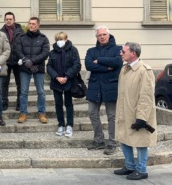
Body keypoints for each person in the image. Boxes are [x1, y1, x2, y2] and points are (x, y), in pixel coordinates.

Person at [113, 42, 157, 180]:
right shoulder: (124, 69)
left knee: (141, 141)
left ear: (133, 53)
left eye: (124, 51)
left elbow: (146, 95)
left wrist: (142, 118)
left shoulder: (144, 70)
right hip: (124, 111)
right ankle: (129, 166)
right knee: (124, 137)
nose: (121, 53)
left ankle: (141, 170)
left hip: (138, 113)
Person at [85, 26, 123, 155]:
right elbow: (88, 65)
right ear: (96, 37)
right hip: (95, 87)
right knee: (92, 113)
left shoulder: (118, 49)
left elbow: (117, 62)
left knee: (112, 116)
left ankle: (112, 142)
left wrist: (100, 60)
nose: (102, 37)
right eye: (99, 35)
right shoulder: (91, 51)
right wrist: (107, 68)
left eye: (104, 34)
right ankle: (99, 140)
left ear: (109, 35)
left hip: (111, 87)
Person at [15, 17, 50, 124]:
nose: (31, 25)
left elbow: (45, 53)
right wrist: (26, 61)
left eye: (34, 24)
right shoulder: (22, 37)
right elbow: (18, 50)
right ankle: (23, 113)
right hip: (24, 69)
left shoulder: (44, 38)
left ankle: (42, 113)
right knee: (23, 92)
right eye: (30, 23)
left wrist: (32, 61)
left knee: (41, 92)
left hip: (38, 68)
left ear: (38, 25)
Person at [46, 32, 81, 137]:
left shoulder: (73, 50)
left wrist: (66, 77)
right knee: (58, 104)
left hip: (69, 81)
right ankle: (61, 124)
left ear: (66, 39)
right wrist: (56, 77)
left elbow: (77, 65)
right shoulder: (52, 52)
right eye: (58, 39)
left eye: (62, 39)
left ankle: (69, 125)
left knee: (69, 104)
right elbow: (49, 67)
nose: (60, 41)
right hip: (56, 82)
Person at [0, 12, 24, 111]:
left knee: (20, 83)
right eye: (7, 19)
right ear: (4, 20)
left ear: (14, 20)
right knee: (4, 83)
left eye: (10, 19)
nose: (8, 21)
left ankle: (19, 103)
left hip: (18, 61)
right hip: (5, 61)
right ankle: (4, 103)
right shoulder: (0, 32)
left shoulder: (21, 32)